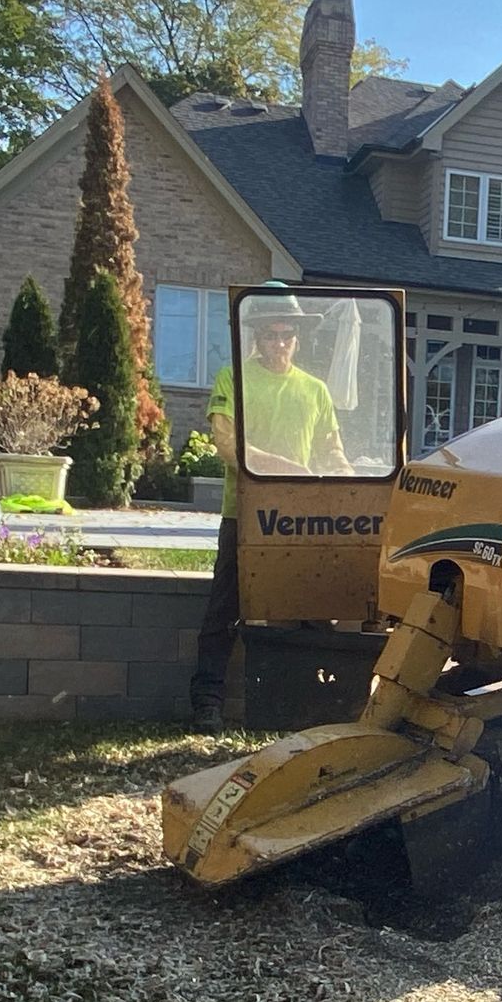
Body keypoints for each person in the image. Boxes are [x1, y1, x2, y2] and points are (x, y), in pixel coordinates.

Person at [189, 293, 352, 732]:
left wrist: (356, 491)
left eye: (287, 334)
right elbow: (227, 445)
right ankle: (207, 701)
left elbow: (333, 453)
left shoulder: (315, 390)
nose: (279, 343)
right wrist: (284, 467)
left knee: (314, 610)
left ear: (298, 339)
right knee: (223, 611)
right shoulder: (233, 378)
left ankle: (323, 706)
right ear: (256, 338)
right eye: (270, 335)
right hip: (243, 516)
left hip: (300, 520)